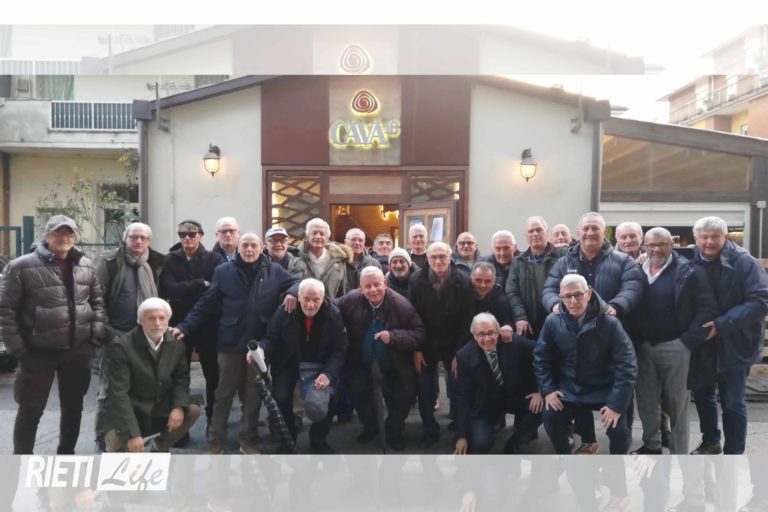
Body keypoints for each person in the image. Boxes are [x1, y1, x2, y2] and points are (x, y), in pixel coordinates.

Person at [173, 233, 299, 454]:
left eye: (253, 245)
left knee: (253, 394)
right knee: (223, 393)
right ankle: (216, 440)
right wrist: (185, 326)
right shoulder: (223, 271)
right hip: (230, 341)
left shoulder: (275, 271)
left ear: (262, 247)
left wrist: (291, 293)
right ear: (238, 248)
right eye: (245, 245)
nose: (249, 249)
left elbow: (298, 282)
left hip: (258, 344)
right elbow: (206, 303)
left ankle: (248, 439)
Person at [0, 215, 106, 454]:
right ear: (47, 235)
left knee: (73, 408)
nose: (64, 237)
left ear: (75, 237)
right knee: (30, 410)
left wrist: (95, 335)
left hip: (78, 350)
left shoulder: (86, 265)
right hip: (37, 352)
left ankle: (66, 455)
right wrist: (18, 349)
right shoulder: (20, 266)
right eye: (58, 232)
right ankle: (22, 461)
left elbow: (97, 302)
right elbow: (6, 311)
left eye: (69, 233)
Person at [628, 227, 717, 456]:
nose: (656, 249)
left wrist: (686, 342)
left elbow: (706, 309)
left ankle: (679, 453)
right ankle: (652, 445)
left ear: (671, 245)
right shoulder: (636, 271)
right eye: (651, 245)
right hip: (643, 347)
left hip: (676, 347)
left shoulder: (690, 272)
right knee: (646, 401)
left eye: (662, 244)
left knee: (677, 404)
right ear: (644, 246)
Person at [688, 216, 768, 455]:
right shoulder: (689, 258)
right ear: (696, 238)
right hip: (703, 343)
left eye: (715, 237)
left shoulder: (745, 262)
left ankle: (734, 453)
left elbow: (760, 301)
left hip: (735, 342)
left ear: (725, 237)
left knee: (733, 402)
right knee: (703, 396)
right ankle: (711, 441)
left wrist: (722, 324)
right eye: (704, 237)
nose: (709, 242)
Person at [535, 274, 637, 455]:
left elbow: (627, 365)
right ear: (560, 297)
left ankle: (616, 466)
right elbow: (541, 358)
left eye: (578, 294)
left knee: (619, 430)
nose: (573, 301)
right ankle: (564, 457)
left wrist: (616, 404)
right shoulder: (552, 321)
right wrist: (548, 390)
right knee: (550, 416)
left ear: (589, 294)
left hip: (604, 386)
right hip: (570, 386)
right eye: (567, 296)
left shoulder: (610, 323)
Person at [94, 222, 166, 452]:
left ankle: (131, 437)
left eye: (143, 237)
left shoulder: (153, 263)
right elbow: (96, 299)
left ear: (149, 241)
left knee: (138, 389)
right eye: (134, 237)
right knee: (108, 391)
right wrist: (106, 331)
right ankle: (102, 440)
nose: (138, 241)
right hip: (116, 336)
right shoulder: (110, 262)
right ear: (125, 239)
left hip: (144, 338)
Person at [336, 267, 424, 451]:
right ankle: (371, 428)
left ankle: (394, 432)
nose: (373, 290)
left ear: (385, 283)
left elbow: (418, 333)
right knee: (360, 394)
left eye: (377, 284)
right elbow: (329, 307)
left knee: (400, 399)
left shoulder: (401, 304)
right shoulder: (351, 300)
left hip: (395, 363)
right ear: (361, 288)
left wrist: (393, 336)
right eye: (367, 286)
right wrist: (296, 295)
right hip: (361, 361)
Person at [258, 278, 349, 454]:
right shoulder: (285, 310)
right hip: (288, 361)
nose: (310, 305)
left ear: (323, 298)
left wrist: (328, 374)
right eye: (306, 299)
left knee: (329, 397)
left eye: (316, 300)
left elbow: (340, 348)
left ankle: (318, 439)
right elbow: (270, 337)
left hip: (319, 364)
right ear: (298, 297)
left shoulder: (333, 314)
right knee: (280, 397)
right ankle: (288, 438)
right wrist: (261, 348)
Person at [104, 298, 201, 452]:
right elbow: (118, 394)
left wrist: (178, 406)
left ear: (168, 320)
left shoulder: (176, 343)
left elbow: (181, 379)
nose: (157, 323)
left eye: (162, 318)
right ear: (140, 321)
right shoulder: (122, 346)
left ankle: (159, 446)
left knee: (193, 409)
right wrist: (132, 434)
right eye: (151, 318)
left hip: (160, 406)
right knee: (117, 445)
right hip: (133, 409)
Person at [159, 219, 224, 436]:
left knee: (213, 375)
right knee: (179, 374)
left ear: (201, 235)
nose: (187, 238)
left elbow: (214, 291)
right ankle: (181, 426)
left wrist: (185, 289)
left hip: (208, 324)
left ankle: (212, 420)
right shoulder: (171, 259)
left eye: (192, 234)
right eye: (182, 235)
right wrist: (198, 284)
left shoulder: (214, 258)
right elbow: (168, 289)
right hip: (178, 324)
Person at [409, 241, 474, 448]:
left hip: (454, 342)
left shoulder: (463, 281)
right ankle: (430, 429)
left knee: (457, 386)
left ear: (450, 257)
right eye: (433, 257)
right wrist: (417, 348)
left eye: (442, 256)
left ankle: (459, 425)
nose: (438, 261)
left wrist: (460, 353)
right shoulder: (416, 280)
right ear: (427, 259)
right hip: (426, 342)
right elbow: (413, 316)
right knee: (424, 387)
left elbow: (467, 319)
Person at [453, 313, 542, 454]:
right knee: (481, 444)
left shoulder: (513, 341)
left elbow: (543, 355)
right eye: (481, 334)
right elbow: (463, 397)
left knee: (543, 406)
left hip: (514, 395)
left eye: (491, 333)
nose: (487, 338)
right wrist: (461, 436)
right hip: (485, 403)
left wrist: (540, 391)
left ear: (498, 331)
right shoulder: (464, 356)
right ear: (474, 336)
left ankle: (515, 443)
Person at [542, 212, 644, 320]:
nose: (590, 233)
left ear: (604, 232)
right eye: (585, 229)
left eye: (595, 228)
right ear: (578, 233)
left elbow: (633, 288)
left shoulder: (624, 261)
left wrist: (615, 306)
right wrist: (555, 305)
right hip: (572, 325)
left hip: (609, 324)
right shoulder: (563, 263)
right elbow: (549, 290)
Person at [506, 216, 563, 339]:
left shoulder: (562, 256)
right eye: (531, 231)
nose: (535, 234)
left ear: (547, 233)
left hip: (559, 319)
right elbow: (512, 292)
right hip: (530, 324)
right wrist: (520, 317)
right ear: (526, 236)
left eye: (539, 230)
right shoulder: (518, 262)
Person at [291, 218, 349, 299]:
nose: (318, 236)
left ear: (327, 238)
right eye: (314, 233)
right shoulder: (296, 258)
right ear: (308, 236)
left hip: (330, 305)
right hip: (304, 305)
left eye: (322, 234)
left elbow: (343, 291)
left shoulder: (338, 260)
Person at [468, 262, 514, 342]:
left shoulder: (500, 299)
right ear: (471, 279)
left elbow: (506, 321)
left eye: (488, 281)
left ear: (494, 281)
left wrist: (507, 327)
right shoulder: (462, 293)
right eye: (478, 280)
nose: (483, 285)